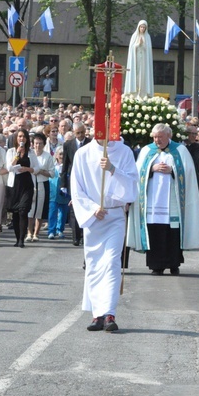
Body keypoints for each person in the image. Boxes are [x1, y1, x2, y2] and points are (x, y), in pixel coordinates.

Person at [72, 135, 138, 332]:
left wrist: (112, 169)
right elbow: (77, 189)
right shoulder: (82, 153)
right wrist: (92, 208)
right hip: (94, 218)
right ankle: (97, 315)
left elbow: (133, 185)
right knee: (94, 265)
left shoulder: (124, 152)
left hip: (115, 215)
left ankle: (109, 313)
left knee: (111, 262)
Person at [127, 124, 199, 275]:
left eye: (160, 137)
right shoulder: (146, 150)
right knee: (155, 232)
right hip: (152, 201)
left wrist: (173, 170)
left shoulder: (180, 150)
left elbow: (189, 172)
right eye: (155, 137)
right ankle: (156, 266)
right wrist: (151, 168)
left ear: (168, 136)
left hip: (173, 201)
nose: (157, 140)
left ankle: (173, 264)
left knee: (172, 232)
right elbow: (137, 173)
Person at [61, 122, 91, 246]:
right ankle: (76, 237)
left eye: (82, 132)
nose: (80, 135)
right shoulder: (68, 144)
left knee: (87, 207)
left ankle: (85, 235)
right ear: (74, 133)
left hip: (88, 180)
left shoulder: (90, 143)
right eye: (78, 133)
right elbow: (65, 164)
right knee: (74, 209)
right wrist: (63, 184)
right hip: (73, 179)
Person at [6, 129, 33, 247]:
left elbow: (36, 168)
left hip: (27, 184)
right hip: (15, 185)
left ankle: (22, 239)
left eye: (23, 137)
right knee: (16, 213)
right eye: (19, 136)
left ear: (27, 139)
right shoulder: (11, 151)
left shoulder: (31, 152)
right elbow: (9, 167)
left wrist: (27, 169)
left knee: (23, 211)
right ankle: (17, 239)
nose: (21, 139)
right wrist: (17, 154)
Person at [28, 133, 56, 241]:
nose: (37, 145)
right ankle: (29, 232)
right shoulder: (29, 154)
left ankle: (36, 233)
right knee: (30, 210)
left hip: (42, 184)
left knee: (39, 210)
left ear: (44, 144)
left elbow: (52, 173)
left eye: (40, 143)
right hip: (30, 183)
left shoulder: (47, 156)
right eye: (36, 143)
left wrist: (41, 171)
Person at [124, 20, 154, 97]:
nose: (142, 28)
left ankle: (143, 94)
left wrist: (143, 45)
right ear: (138, 27)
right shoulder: (135, 36)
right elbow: (131, 49)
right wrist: (138, 44)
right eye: (141, 27)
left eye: (144, 27)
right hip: (136, 59)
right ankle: (134, 93)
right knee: (136, 74)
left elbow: (148, 50)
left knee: (143, 75)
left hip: (144, 60)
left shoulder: (147, 37)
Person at [47, 148, 68, 239]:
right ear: (56, 155)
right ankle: (51, 231)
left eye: (63, 154)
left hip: (64, 192)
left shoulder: (68, 166)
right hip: (53, 192)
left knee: (63, 213)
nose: (61, 156)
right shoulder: (52, 166)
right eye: (60, 154)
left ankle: (60, 230)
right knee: (52, 212)